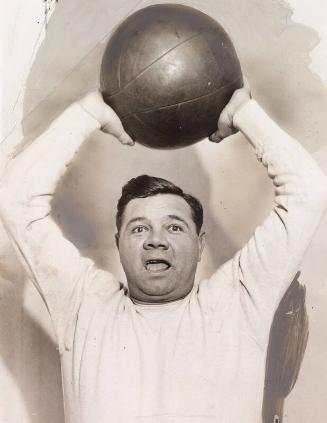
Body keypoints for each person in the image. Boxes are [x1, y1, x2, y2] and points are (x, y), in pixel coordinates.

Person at [0, 84, 326, 423]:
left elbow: (309, 190)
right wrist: (89, 113)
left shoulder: (237, 301)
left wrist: (243, 112)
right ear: (118, 243)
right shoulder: (86, 306)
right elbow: (16, 199)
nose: (156, 240)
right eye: (139, 228)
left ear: (200, 244)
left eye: (174, 227)